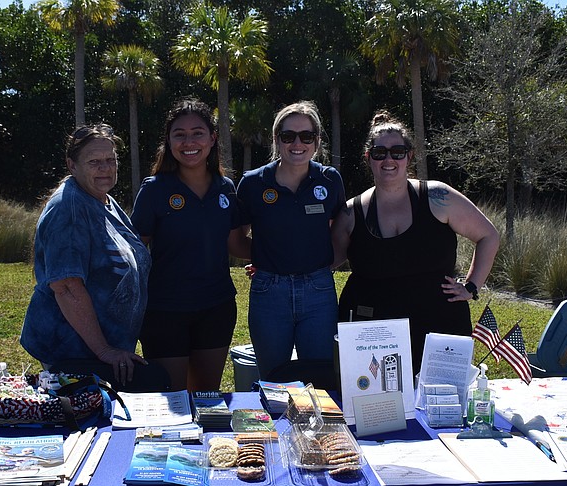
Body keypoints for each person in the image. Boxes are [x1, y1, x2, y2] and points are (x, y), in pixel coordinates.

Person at [332, 110, 500, 375]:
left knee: (442, 406)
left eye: (397, 152)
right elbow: (326, 261)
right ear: (369, 158)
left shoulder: (437, 197)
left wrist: (472, 286)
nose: (389, 159)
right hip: (373, 332)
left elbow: (488, 235)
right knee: (378, 409)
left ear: (409, 156)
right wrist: (273, 262)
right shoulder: (351, 213)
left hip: (439, 324)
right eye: (380, 153)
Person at [131, 99, 249, 392]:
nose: (189, 142)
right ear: (169, 142)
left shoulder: (226, 188)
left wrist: (287, 257)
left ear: (212, 139)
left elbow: (236, 245)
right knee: (172, 398)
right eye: (179, 134)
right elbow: (134, 253)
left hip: (216, 308)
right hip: (165, 310)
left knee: (207, 396)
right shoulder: (154, 189)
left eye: (197, 133)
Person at [20, 124, 152, 387]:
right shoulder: (68, 208)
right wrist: (104, 350)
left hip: (99, 351)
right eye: (94, 162)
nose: (105, 168)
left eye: (110, 160)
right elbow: (66, 286)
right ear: (72, 165)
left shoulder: (103, 199)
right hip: (73, 353)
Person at [236, 101, 345, 378]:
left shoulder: (329, 180)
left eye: (306, 136)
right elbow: (235, 240)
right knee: (274, 379)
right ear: (277, 139)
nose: (298, 143)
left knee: (321, 378)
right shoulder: (252, 183)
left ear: (317, 141)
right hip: (268, 291)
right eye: (288, 136)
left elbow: (339, 232)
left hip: (319, 291)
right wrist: (267, 257)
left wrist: (320, 264)